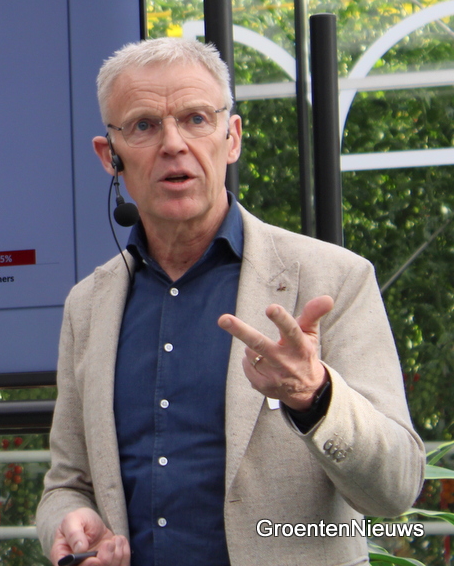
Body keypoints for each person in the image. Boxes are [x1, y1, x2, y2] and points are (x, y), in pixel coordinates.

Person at [36, 37, 424, 566]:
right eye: (144, 125)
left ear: (232, 137)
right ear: (111, 157)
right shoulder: (87, 306)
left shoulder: (333, 279)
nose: (174, 144)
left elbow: (398, 485)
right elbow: (66, 484)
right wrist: (69, 524)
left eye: (196, 118)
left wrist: (315, 395)